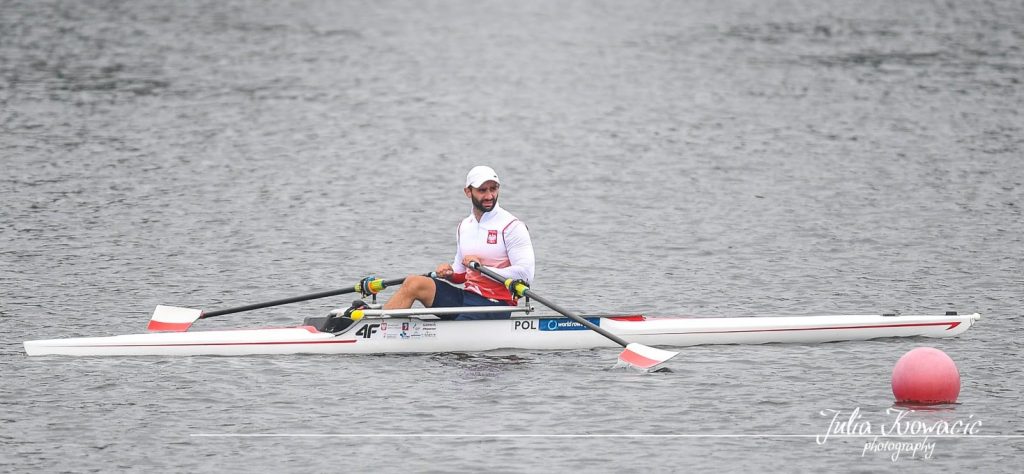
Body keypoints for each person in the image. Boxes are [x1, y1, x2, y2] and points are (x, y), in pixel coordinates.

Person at [359, 165, 535, 321]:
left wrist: (482, 270)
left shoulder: (512, 227)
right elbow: (460, 274)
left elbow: (525, 275)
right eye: (482, 190)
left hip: (496, 305)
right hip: (467, 297)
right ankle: (381, 325)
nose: (489, 195)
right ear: (468, 192)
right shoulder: (465, 226)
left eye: (493, 189)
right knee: (414, 282)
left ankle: (382, 327)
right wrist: (449, 273)